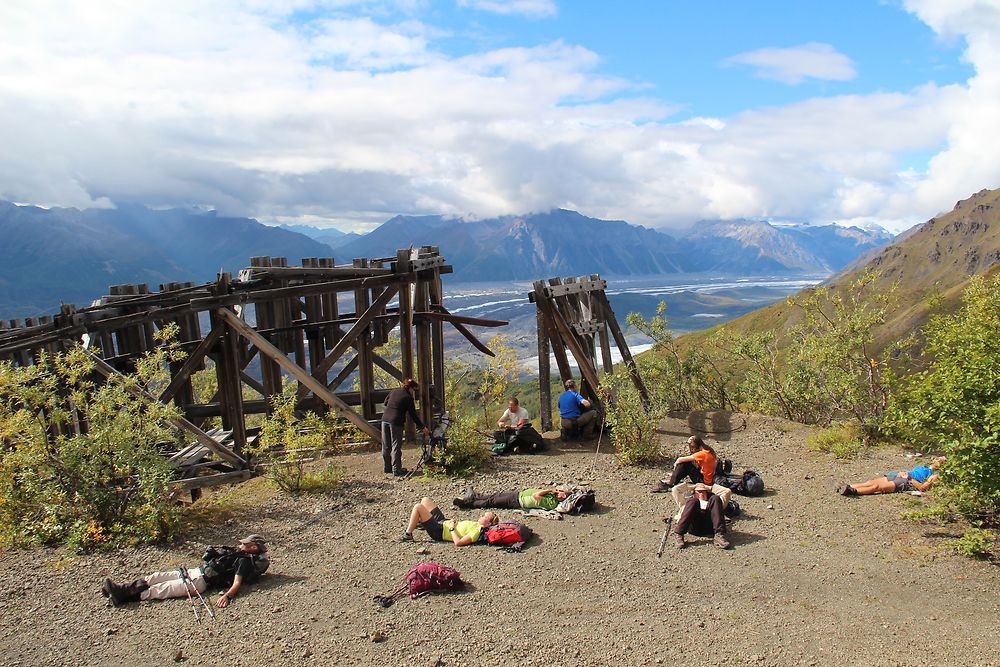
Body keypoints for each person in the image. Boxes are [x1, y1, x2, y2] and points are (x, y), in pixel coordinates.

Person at [101, 534, 270, 607]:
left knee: (159, 590)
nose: (240, 545)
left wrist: (226, 596)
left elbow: (237, 583)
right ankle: (120, 589)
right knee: (155, 577)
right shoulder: (237, 553)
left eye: (244, 544)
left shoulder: (243, 561)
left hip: (201, 582)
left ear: (253, 547)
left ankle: (121, 598)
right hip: (195, 571)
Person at [655, 436, 732, 516]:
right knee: (688, 465)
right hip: (709, 477)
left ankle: (672, 482)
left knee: (684, 464)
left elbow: (680, 459)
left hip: (705, 481)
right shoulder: (708, 450)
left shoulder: (702, 454)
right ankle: (675, 476)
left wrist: (675, 466)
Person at [382, 378, 430, 476]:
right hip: (396, 422)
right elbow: (413, 415)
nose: (413, 392)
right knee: (396, 445)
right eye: (414, 389)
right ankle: (397, 469)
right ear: (410, 388)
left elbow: (385, 403)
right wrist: (422, 427)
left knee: (386, 445)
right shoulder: (408, 398)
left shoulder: (394, 391)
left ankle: (387, 468)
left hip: (384, 419)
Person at [400, 497, 498, 545]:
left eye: (484, 516)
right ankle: (422, 523)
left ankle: (408, 535)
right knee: (425, 500)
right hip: (443, 522)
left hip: (439, 531)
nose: (481, 515)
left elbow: (458, 542)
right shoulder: (476, 524)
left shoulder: (476, 532)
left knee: (418, 507)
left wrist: (452, 528)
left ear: (488, 524)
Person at [836, 457, 945, 496]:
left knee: (877, 488)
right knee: (871, 482)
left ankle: (852, 491)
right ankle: (847, 486)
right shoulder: (925, 467)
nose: (937, 459)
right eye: (938, 458)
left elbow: (923, 488)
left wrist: (909, 478)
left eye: (940, 460)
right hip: (902, 475)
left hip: (907, 482)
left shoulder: (935, 475)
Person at [672, 484, 731, 549]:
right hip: (694, 526)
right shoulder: (687, 503)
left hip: (711, 527)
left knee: (715, 497)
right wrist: (690, 487)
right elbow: (675, 490)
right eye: (698, 492)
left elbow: (727, 491)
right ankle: (679, 535)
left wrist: (710, 487)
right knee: (693, 501)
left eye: (703, 492)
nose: (701, 493)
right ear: (694, 494)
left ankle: (719, 535)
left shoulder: (714, 503)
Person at [453, 486, 568, 510]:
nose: (560, 493)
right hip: (518, 494)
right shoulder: (551, 495)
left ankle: (466, 503)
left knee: (491, 502)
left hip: (517, 502)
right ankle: (472, 497)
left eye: (563, 494)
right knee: (494, 495)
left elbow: (536, 496)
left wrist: (550, 490)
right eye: (561, 491)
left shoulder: (552, 503)